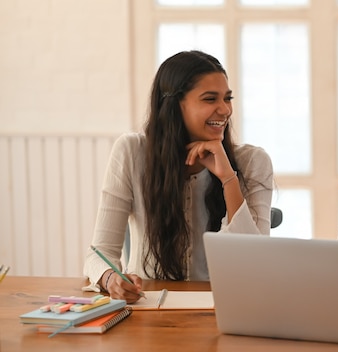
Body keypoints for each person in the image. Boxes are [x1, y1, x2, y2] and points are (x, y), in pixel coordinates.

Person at [83, 50, 273, 303]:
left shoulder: (253, 162)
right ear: (173, 106)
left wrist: (228, 179)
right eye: (209, 99)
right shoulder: (131, 152)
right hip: (147, 308)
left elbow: (254, 266)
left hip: (223, 307)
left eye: (228, 98)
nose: (225, 110)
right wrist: (111, 279)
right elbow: (99, 253)